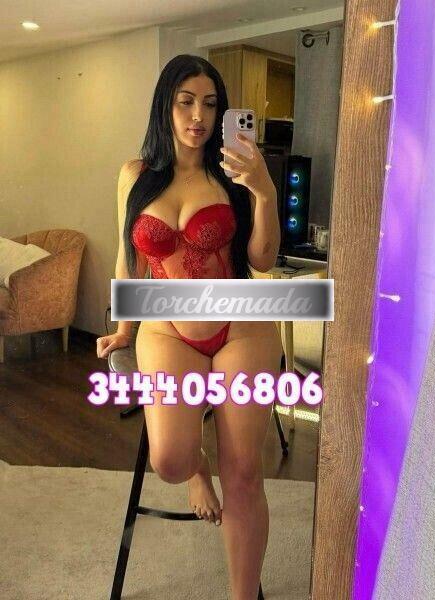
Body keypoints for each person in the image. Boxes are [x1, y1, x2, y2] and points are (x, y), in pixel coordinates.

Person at [97, 54, 283, 600]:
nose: (198, 116)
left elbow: (263, 259)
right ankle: (198, 467)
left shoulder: (234, 173)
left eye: (209, 104)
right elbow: (126, 259)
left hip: (240, 325)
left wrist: (264, 190)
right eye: (185, 102)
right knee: (170, 461)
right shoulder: (135, 176)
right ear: (166, 106)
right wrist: (124, 328)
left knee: (243, 471)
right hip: (167, 327)